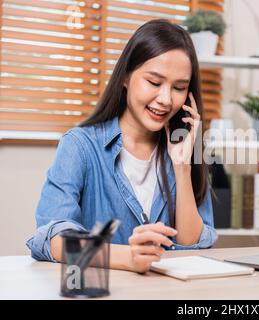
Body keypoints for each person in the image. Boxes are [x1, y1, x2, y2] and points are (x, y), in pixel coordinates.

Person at [26, 19, 217, 273]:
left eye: (179, 87)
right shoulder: (80, 146)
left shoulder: (185, 149)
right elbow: (52, 240)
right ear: (126, 76)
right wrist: (127, 257)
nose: (165, 99)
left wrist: (182, 168)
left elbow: (193, 245)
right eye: (154, 82)